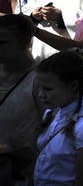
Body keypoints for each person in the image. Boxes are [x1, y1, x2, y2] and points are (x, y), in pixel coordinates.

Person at [34, 51, 83, 186]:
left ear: (74, 86)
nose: (41, 95)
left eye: (48, 89)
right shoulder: (51, 112)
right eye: (40, 88)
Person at [0, 15, 43, 182]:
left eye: (3, 43)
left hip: (23, 170)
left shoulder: (38, 80)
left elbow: (47, 127)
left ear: (25, 42)